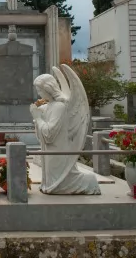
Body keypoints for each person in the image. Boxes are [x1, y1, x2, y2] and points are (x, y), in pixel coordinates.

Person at [31, 66, 100, 195]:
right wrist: (37, 118)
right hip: (50, 150)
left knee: (60, 183)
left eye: (39, 90)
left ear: (48, 89)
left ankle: (89, 181)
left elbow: (49, 134)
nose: (39, 93)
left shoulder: (59, 107)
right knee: (53, 183)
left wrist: (38, 118)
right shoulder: (49, 106)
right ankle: (51, 186)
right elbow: (41, 136)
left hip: (58, 151)